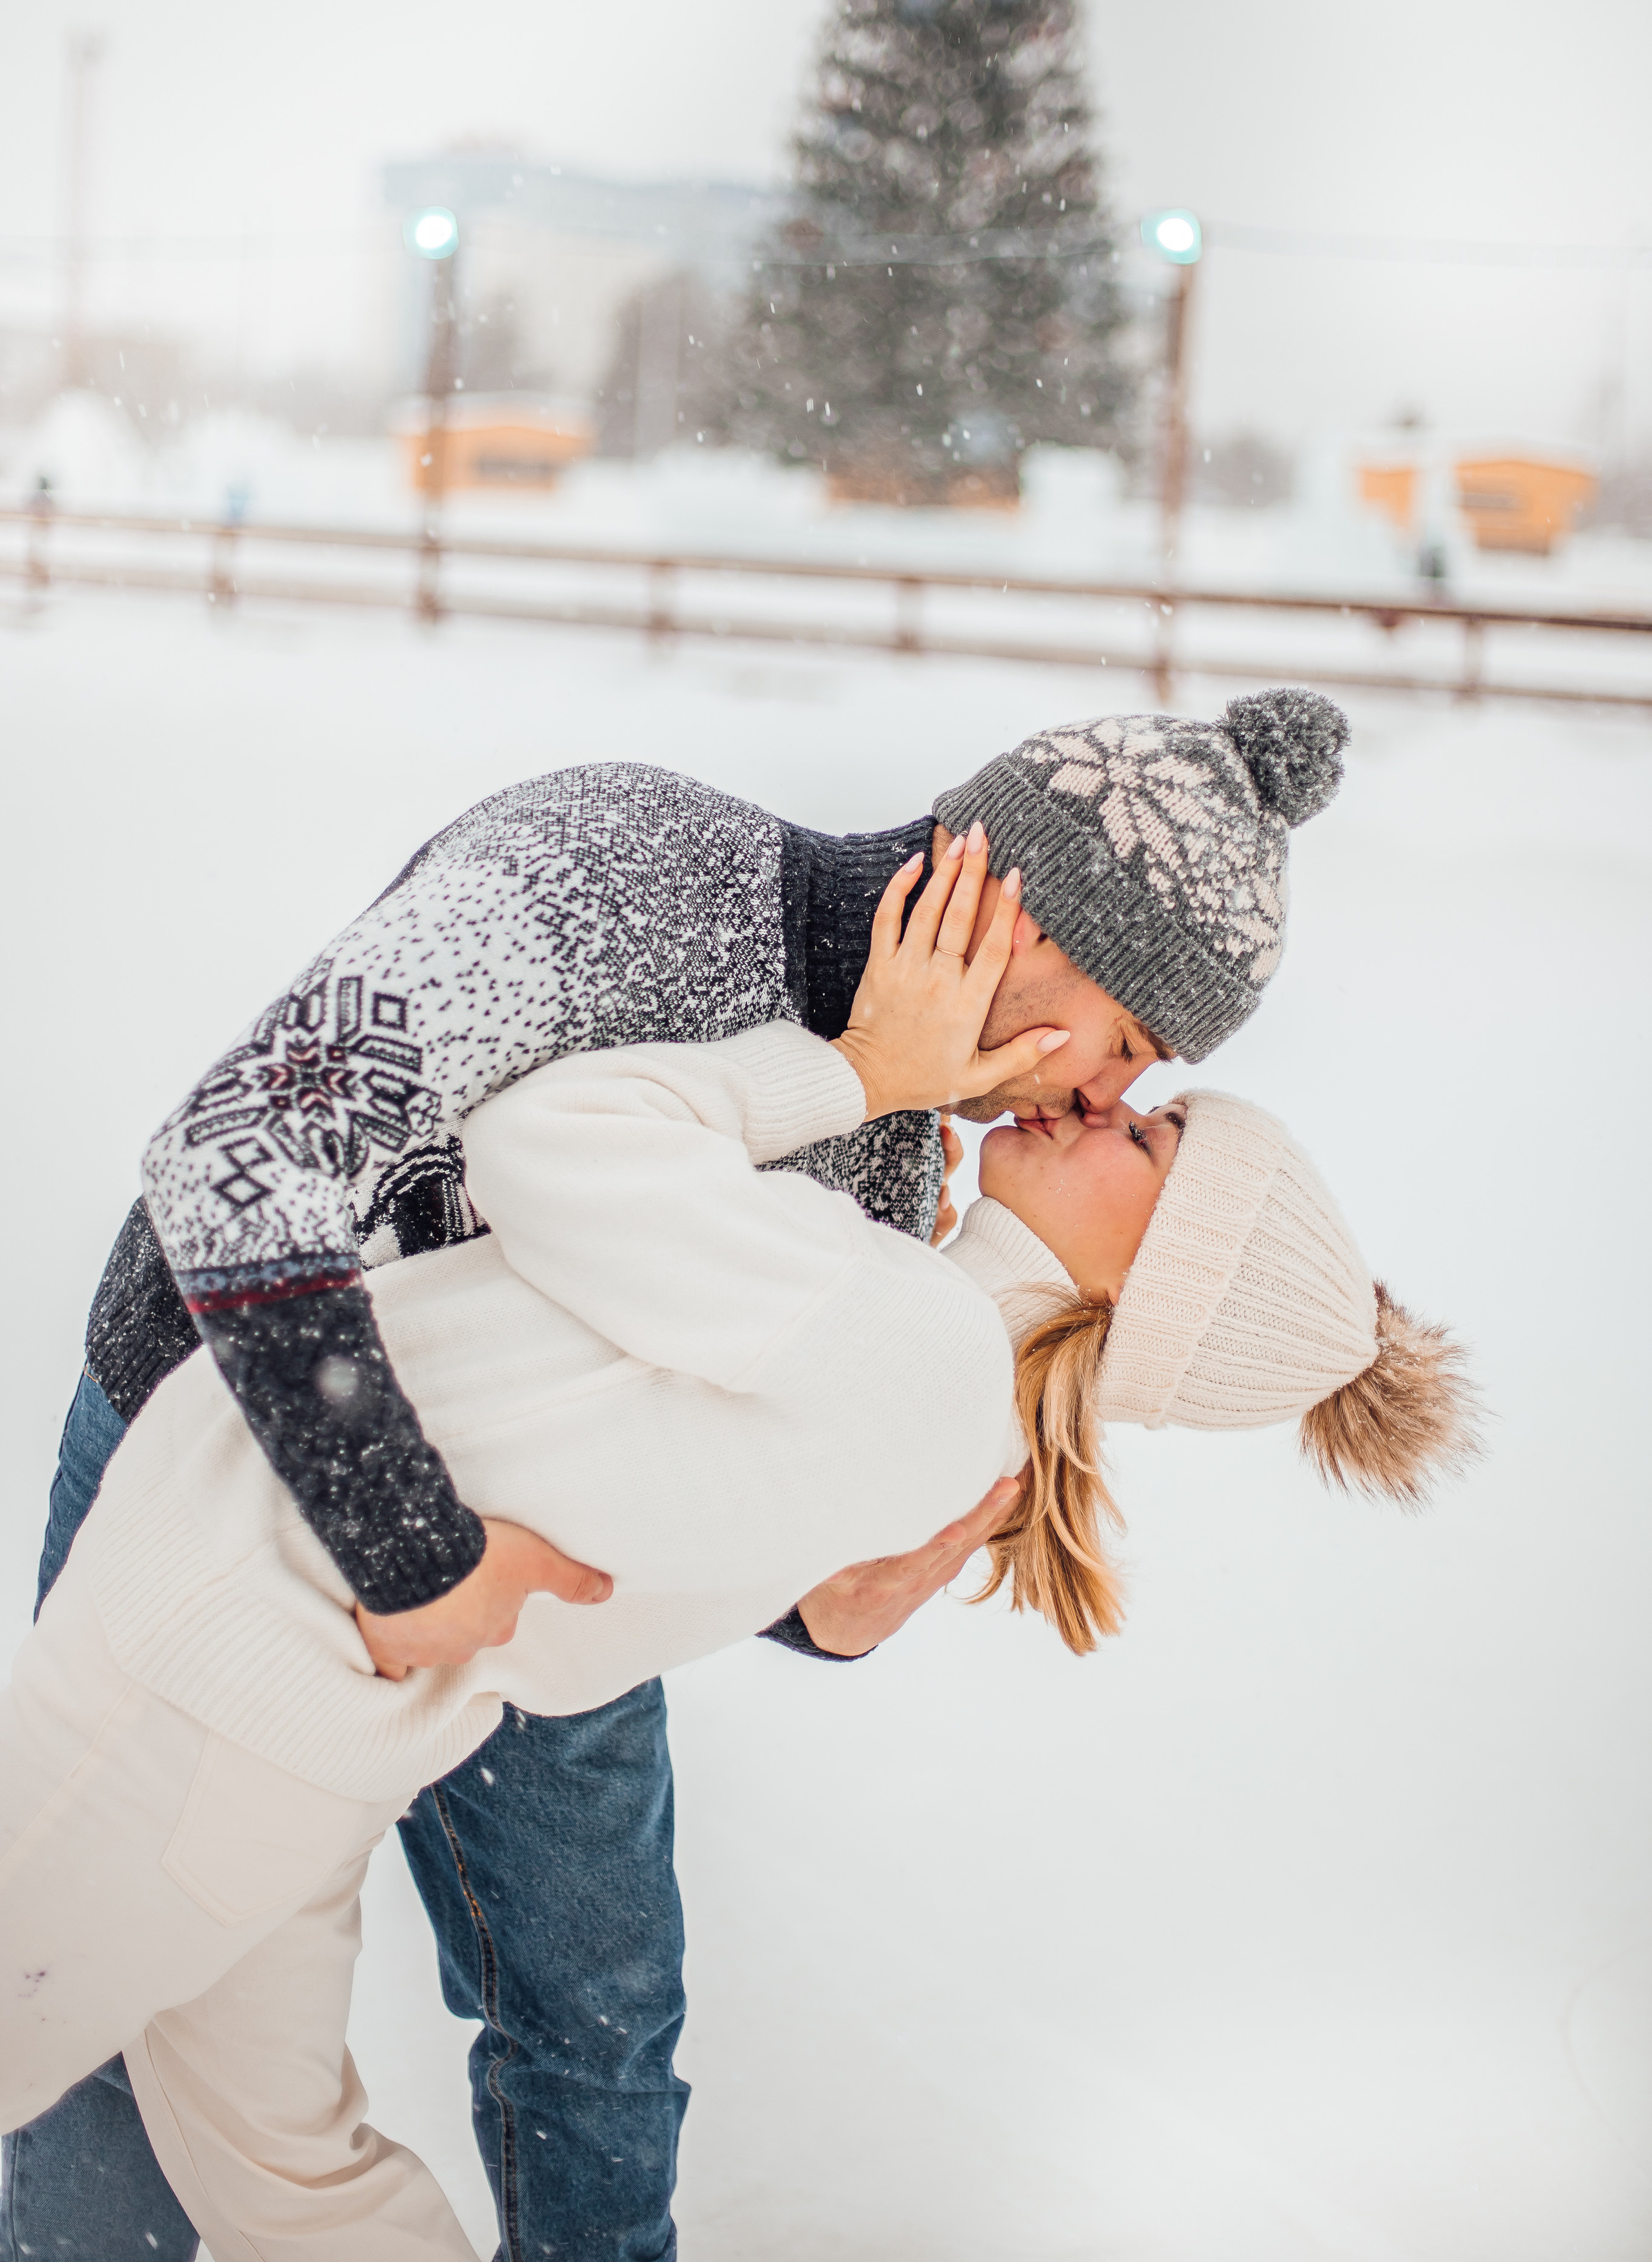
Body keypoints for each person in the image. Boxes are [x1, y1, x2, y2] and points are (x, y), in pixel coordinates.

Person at [2, 688, 1354, 2262]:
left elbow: (693, 1467)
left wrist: (812, 1610)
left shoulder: (906, 1159)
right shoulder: (627, 866)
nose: (1097, 1098)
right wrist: (415, 1552)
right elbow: (240, 1150)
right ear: (1018, 908)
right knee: (115, 2036)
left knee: (597, 2015)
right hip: (247, 1468)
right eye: (1126, 1042)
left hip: (497, 1607)